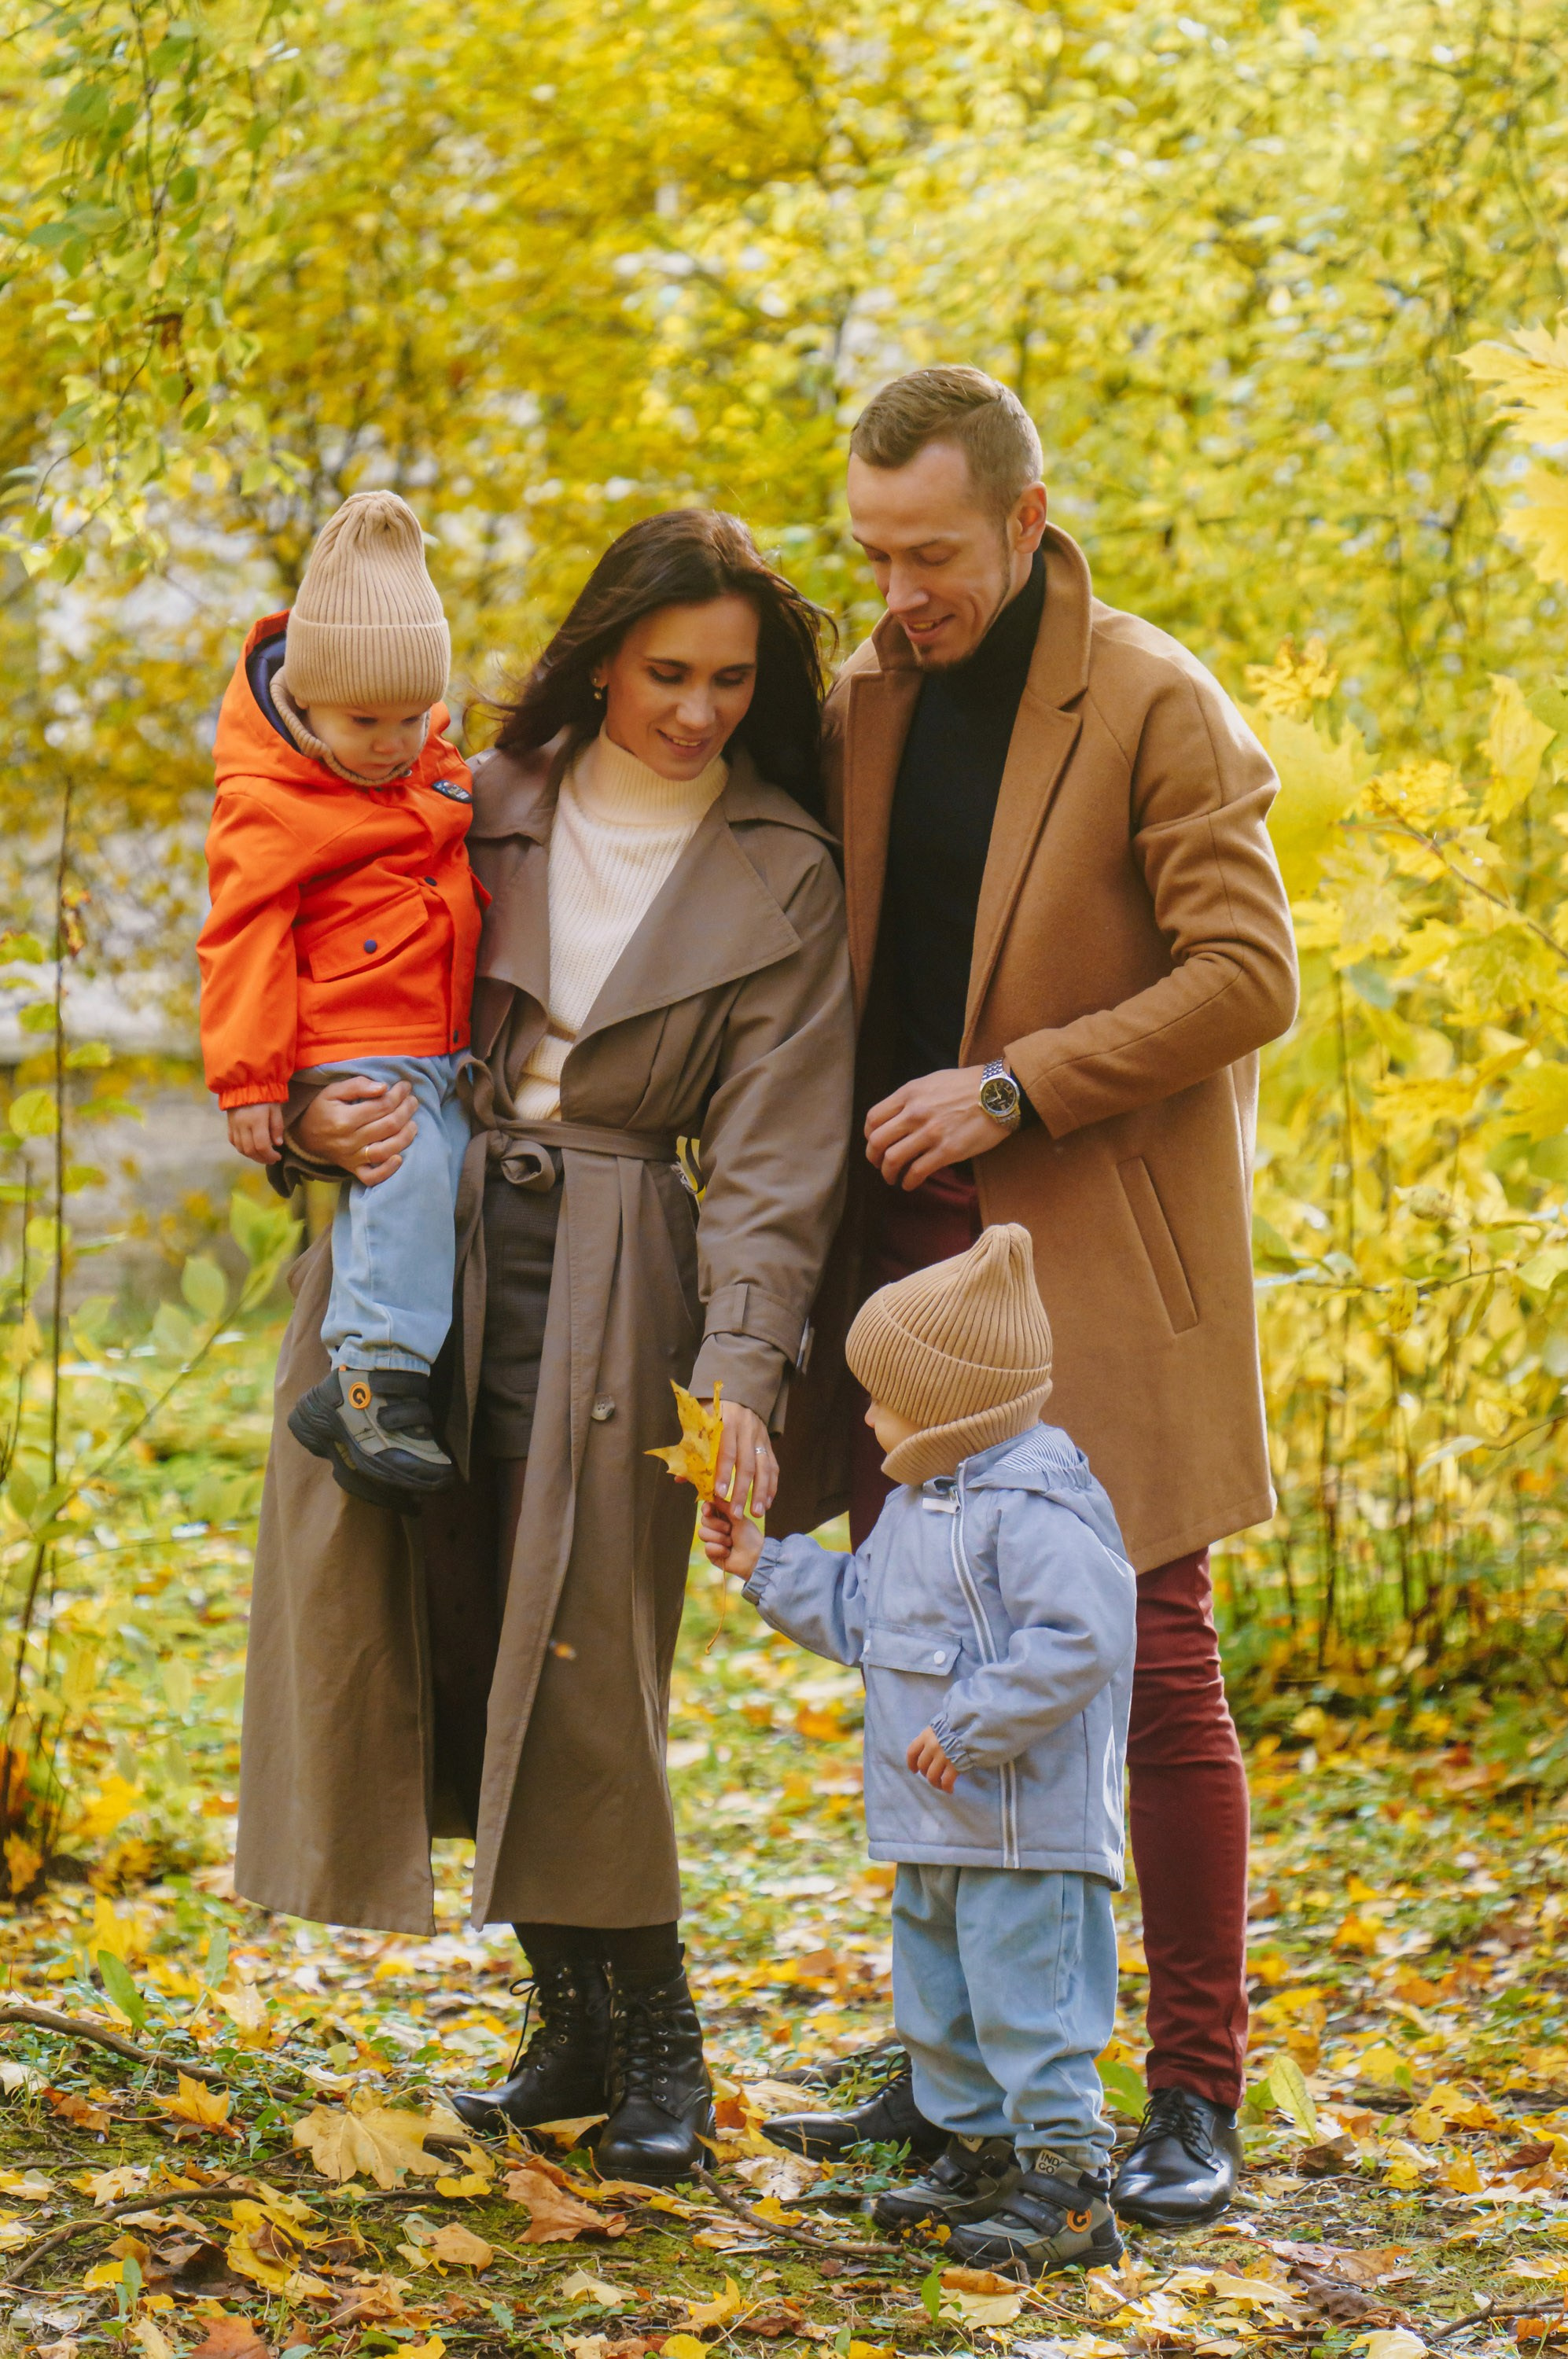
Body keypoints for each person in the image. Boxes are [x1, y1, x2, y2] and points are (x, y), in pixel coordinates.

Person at [232, 509, 856, 2185]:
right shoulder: (466, 798)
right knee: (441, 1619)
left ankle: (661, 2045)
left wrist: (740, 1370)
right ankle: (568, 2031)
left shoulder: (782, 864)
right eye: (667, 672)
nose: (699, 709)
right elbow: (292, 961)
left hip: (624, 1262)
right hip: (411, 1257)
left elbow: (783, 1157)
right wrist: (297, 1110)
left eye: (732, 680)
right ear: (598, 660)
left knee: (581, 1643)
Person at [769, 367, 1299, 2228]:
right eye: (871, 555)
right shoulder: (861, 707)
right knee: (926, 1658)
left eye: (929, 553)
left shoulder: (1154, 698)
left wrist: (1014, 1085)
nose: (901, 590)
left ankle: (1191, 2096)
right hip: (904, 1270)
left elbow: (1250, 976)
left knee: (1148, 1660)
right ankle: (964, 2088)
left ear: (1021, 513)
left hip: (1096, 1268)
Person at [705, 1225, 1136, 2274]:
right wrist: (768, 1565)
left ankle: (1070, 2186)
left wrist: (972, 1725)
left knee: (1030, 2003)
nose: (867, 1415)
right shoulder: (914, 1506)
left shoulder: (1035, 1507)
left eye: (883, 1396)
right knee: (940, 2003)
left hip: (1027, 1826)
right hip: (935, 1827)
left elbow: (1085, 1635)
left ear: (955, 1405)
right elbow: (863, 1612)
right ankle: (983, 2151)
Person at [198, 490, 481, 1507]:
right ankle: (373, 1383)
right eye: (366, 721)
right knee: (401, 1170)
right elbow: (240, 938)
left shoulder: (429, 768)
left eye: (413, 718)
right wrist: (250, 1081)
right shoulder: (272, 803)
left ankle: (359, 1385)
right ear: (309, 701)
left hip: (432, 1035)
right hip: (349, 1035)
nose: (392, 742)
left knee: (435, 1175)